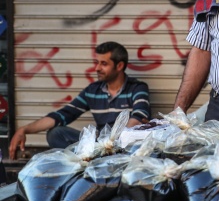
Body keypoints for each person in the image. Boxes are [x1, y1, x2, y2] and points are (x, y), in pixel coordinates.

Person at [8, 41, 151, 160]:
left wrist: (114, 140)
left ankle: (96, 160)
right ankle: (90, 160)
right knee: (56, 133)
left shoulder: (137, 88)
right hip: (98, 146)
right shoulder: (92, 91)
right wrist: (24, 129)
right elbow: (63, 115)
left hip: (124, 147)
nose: (97, 68)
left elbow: (139, 116)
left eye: (103, 64)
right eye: (97, 62)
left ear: (119, 66)